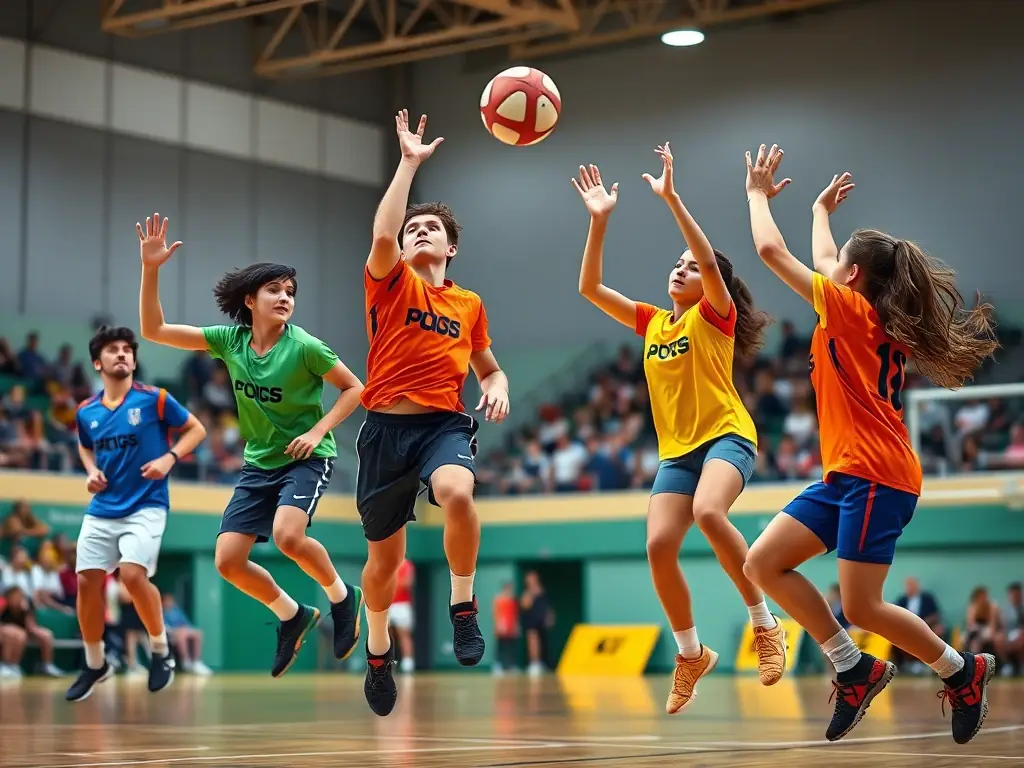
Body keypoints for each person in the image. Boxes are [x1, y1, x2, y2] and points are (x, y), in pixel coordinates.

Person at [741, 144, 999, 745]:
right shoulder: (861, 309)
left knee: (862, 607)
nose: (828, 266)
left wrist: (756, 194)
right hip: (849, 474)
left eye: (839, 265)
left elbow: (769, 251)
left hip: (877, 474)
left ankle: (962, 671)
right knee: (762, 562)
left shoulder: (848, 310)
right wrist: (817, 211)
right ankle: (853, 666)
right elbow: (827, 256)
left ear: (852, 278)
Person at [572, 146, 784, 714]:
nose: (682, 268)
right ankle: (690, 653)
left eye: (689, 265)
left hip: (727, 437)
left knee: (709, 514)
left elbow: (711, 266)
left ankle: (765, 623)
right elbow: (591, 288)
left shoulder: (714, 315)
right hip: (677, 452)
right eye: (678, 263)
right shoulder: (652, 321)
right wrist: (599, 221)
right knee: (659, 547)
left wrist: (671, 199)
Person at [136, 214, 366, 678]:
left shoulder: (306, 347)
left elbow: (355, 388)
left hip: (306, 457)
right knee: (227, 561)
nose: (285, 298)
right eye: (275, 290)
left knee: (287, 536)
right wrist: (151, 268)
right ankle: (292, 615)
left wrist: (319, 431)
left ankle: (344, 598)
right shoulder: (231, 341)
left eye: (291, 292)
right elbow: (154, 331)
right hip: (259, 464)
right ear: (250, 299)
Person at [358, 111, 509, 716]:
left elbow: (488, 365)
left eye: (431, 228)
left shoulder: (469, 303)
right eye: (412, 226)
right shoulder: (389, 281)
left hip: (441, 425)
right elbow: (380, 235)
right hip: (384, 431)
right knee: (383, 565)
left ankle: (463, 607)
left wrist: (498, 384)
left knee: (459, 492)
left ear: (451, 247)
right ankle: (377, 651)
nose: (418, 232)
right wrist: (409, 164)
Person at [66, 326, 207, 702]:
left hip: (146, 505)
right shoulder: (87, 411)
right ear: (98, 363)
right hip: (103, 507)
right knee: (86, 581)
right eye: (113, 350)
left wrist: (169, 457)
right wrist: (90, 471)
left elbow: (196, 429)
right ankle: (95, 663)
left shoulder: (155, 399)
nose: (123, 355)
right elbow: (84, 447)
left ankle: (161, 650)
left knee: (131, 574)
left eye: (128, 349)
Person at [389, 558, 416, 673]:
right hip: (386, 604)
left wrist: (390, 585)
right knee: (385, 634)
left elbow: (407, 582)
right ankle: (386, 661)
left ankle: (408, 663)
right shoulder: (385, 562)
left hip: (401, 604)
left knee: (404, 634)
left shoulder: (406, 565)